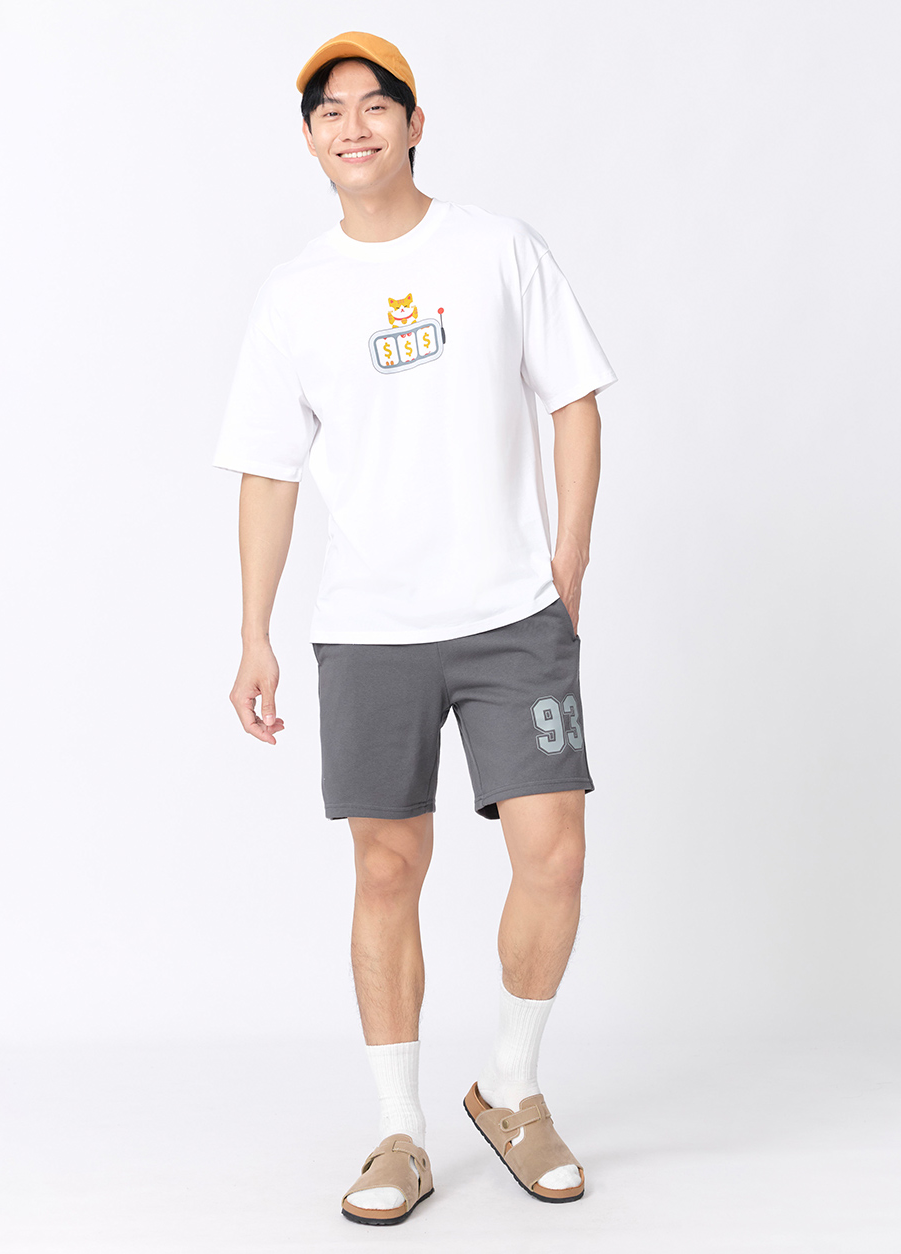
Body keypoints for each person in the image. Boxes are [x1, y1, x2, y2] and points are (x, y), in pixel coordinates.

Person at [213, 31, 618, 1226]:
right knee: (387, 868)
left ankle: (511, 1092)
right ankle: (400, 1131)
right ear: (309, 142)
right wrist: (254, 632)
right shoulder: (294, 296)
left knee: (554, 852)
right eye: (328, 112)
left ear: (413, 122)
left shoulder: (495, 250)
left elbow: (575, 396)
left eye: (373, 105)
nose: (353, 127)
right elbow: (268, 472)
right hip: (371, 628)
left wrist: (569, 556)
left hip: (511, 617)